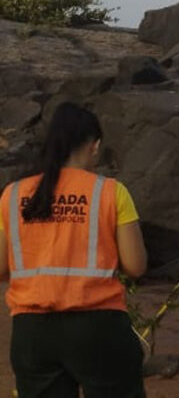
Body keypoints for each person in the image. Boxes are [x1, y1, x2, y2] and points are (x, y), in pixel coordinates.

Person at [0, 102, 148, 397]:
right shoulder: (110, 191)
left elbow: (1, 267)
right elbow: (136, 265)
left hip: (31, 330)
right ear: (95, 146)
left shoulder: (13, 194)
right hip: (98, 327)